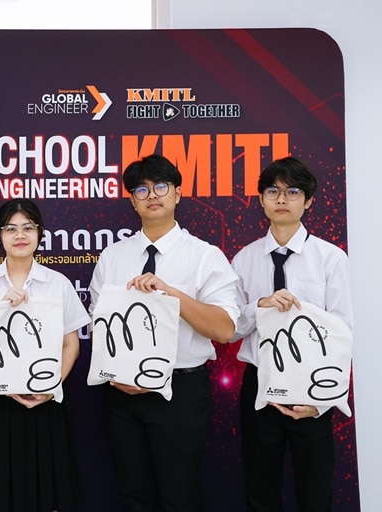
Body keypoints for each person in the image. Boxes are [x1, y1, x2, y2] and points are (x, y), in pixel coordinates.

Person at [88, 154, 239, 511]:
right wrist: (118, 373)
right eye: (141, 190)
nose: (152, 195)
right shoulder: (113, 257)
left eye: (161, 186)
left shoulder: (204, 256)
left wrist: (171, 294)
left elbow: (225, 329)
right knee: (133, 495)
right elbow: (98, 325)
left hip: (179, 392)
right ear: (132, 200)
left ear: (177, 193)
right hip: (122, 393)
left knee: (179, 495)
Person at [232, 156, 353, 511]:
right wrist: (261, 305)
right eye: (273, 191)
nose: (282, 199)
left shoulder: (330, 258)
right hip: (259, 385)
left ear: (309, 200)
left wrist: (323, 400)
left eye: (293, 192)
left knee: (315, 494)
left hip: (313, 386)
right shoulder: (244, 259)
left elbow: (343, 331)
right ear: (261, 199)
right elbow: (232, 328)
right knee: (260, 492)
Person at [0, 198, 90, 512]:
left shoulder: (57, 284)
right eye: (10, 229)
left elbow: (71, 345)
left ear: (40, 233)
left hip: (45, 402)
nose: (20, 235)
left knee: (47, 493)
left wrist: (50, 386)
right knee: (1, 495)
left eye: (28, 228)